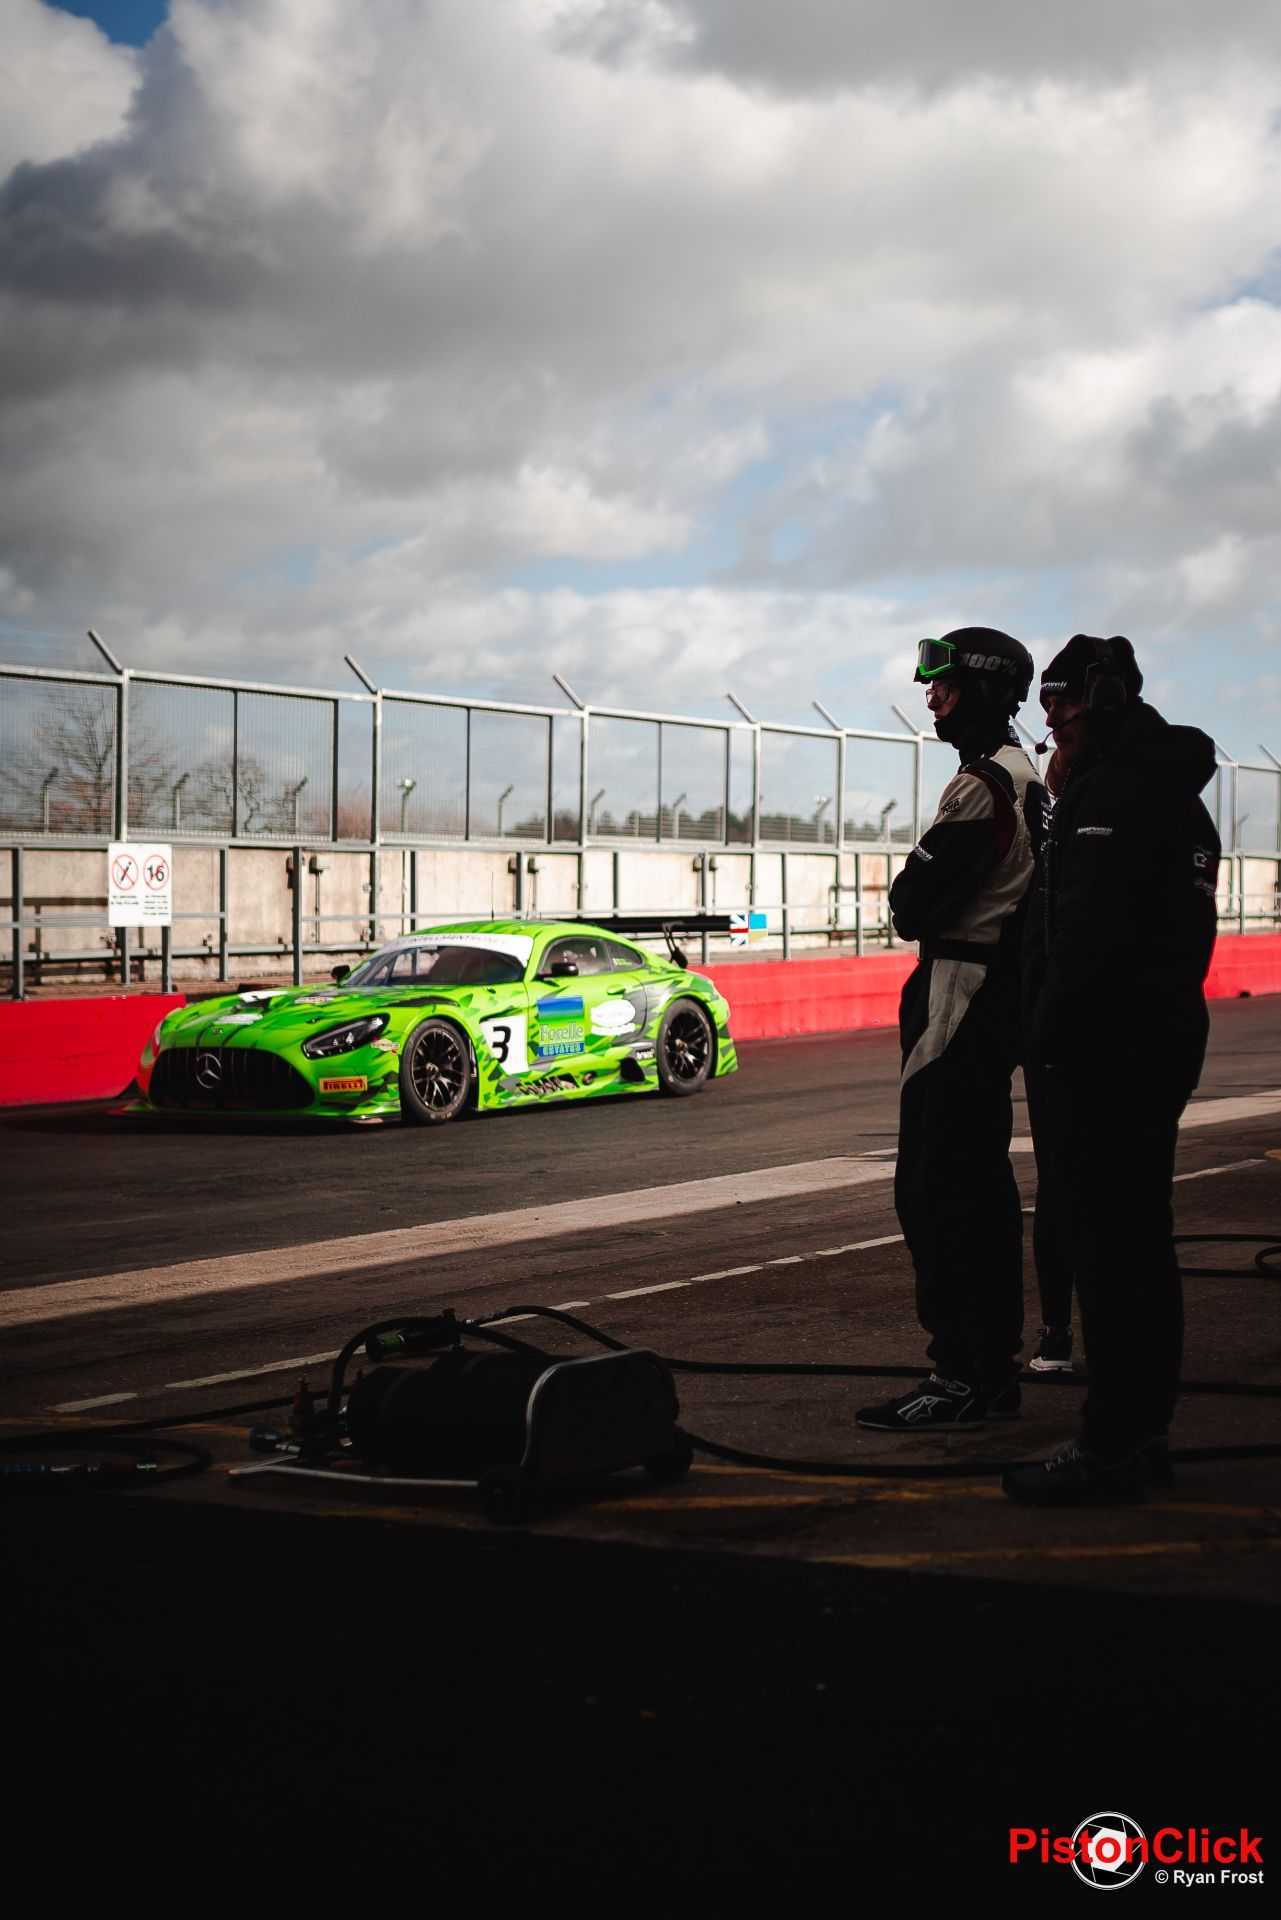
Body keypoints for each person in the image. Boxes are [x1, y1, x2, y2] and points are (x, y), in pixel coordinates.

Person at [1003, 634, 1221, 1504]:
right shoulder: (1163, 792)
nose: (1048, 725)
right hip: (1151, 1042)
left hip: (1104, 1054)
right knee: (1135, 1242)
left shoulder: (1115, 795)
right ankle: (1136, 1434)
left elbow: (1083, 939)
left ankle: (1117, 1445)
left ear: (1095, 702)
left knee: (1114, 1252)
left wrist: (1044, 1040)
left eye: (1056, 705)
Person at [857, 627, 1044, 1433]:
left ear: (981, 690)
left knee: (936, 1189)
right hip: (993, 991)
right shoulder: (1027, 772)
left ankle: (961, 1372)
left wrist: (912, 887)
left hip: (959, 993)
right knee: (978, 1183)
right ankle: (985, 1369)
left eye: (942, 685)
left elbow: (910, 907)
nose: (930, 699)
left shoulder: (980, 788)